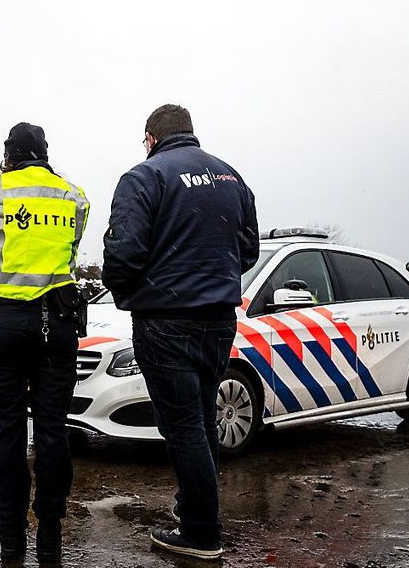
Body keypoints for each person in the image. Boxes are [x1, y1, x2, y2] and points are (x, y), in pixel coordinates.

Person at [101, 105, 258, 560]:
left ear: (151, 138)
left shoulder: (145, 178)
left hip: (165, 321)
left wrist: (132, 290)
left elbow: (124, 253)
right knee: (202, 416)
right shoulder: (230, 177)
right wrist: (213, 276)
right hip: (219, 319)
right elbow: (248, 248)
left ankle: (201, 533)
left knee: (183, 426)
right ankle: (196, 508)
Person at [0, 122, 89, 568]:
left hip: (3, 324)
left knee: (9, 434)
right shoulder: (73, 196)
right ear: (44, 152)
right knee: (53, 432)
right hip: (56, 324)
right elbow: (72, 245)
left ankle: (12, 545)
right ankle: (50, 541)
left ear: (10, 154)